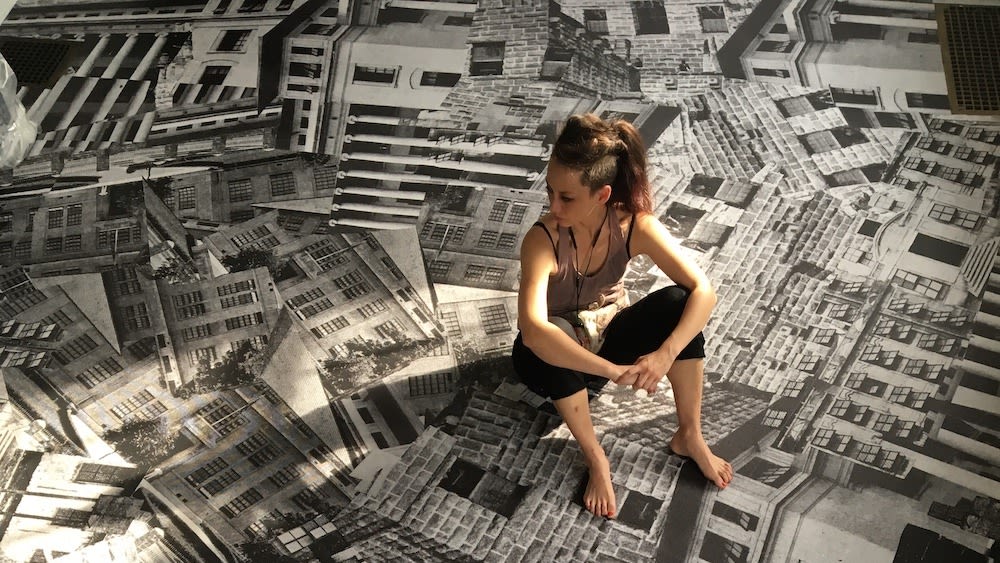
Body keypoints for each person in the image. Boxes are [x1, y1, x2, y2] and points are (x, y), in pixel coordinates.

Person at [512, 113, 733, 519]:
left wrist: (665, 354)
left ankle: (690, 435)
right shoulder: (541, 239)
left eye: (566, 197)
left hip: (607, 336)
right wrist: (611, 371)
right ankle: (597, 459)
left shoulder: (636, 226)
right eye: (550, 193)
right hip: (553, 359)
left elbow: (704, 291)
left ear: (601, 195)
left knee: (676, 301)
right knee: (550, 334)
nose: (552, 206)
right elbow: (532, 330)